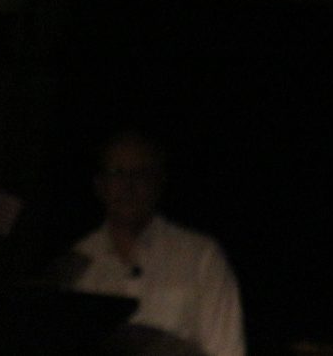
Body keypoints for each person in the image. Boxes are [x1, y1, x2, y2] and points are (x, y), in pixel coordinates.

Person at [55, 129, 246, 356]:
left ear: (158, 182)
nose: (128, 185)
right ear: (100, 185)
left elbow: (227, 350)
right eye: (117, 173)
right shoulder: (77, 265)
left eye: (141, 173)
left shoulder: (201, 258)